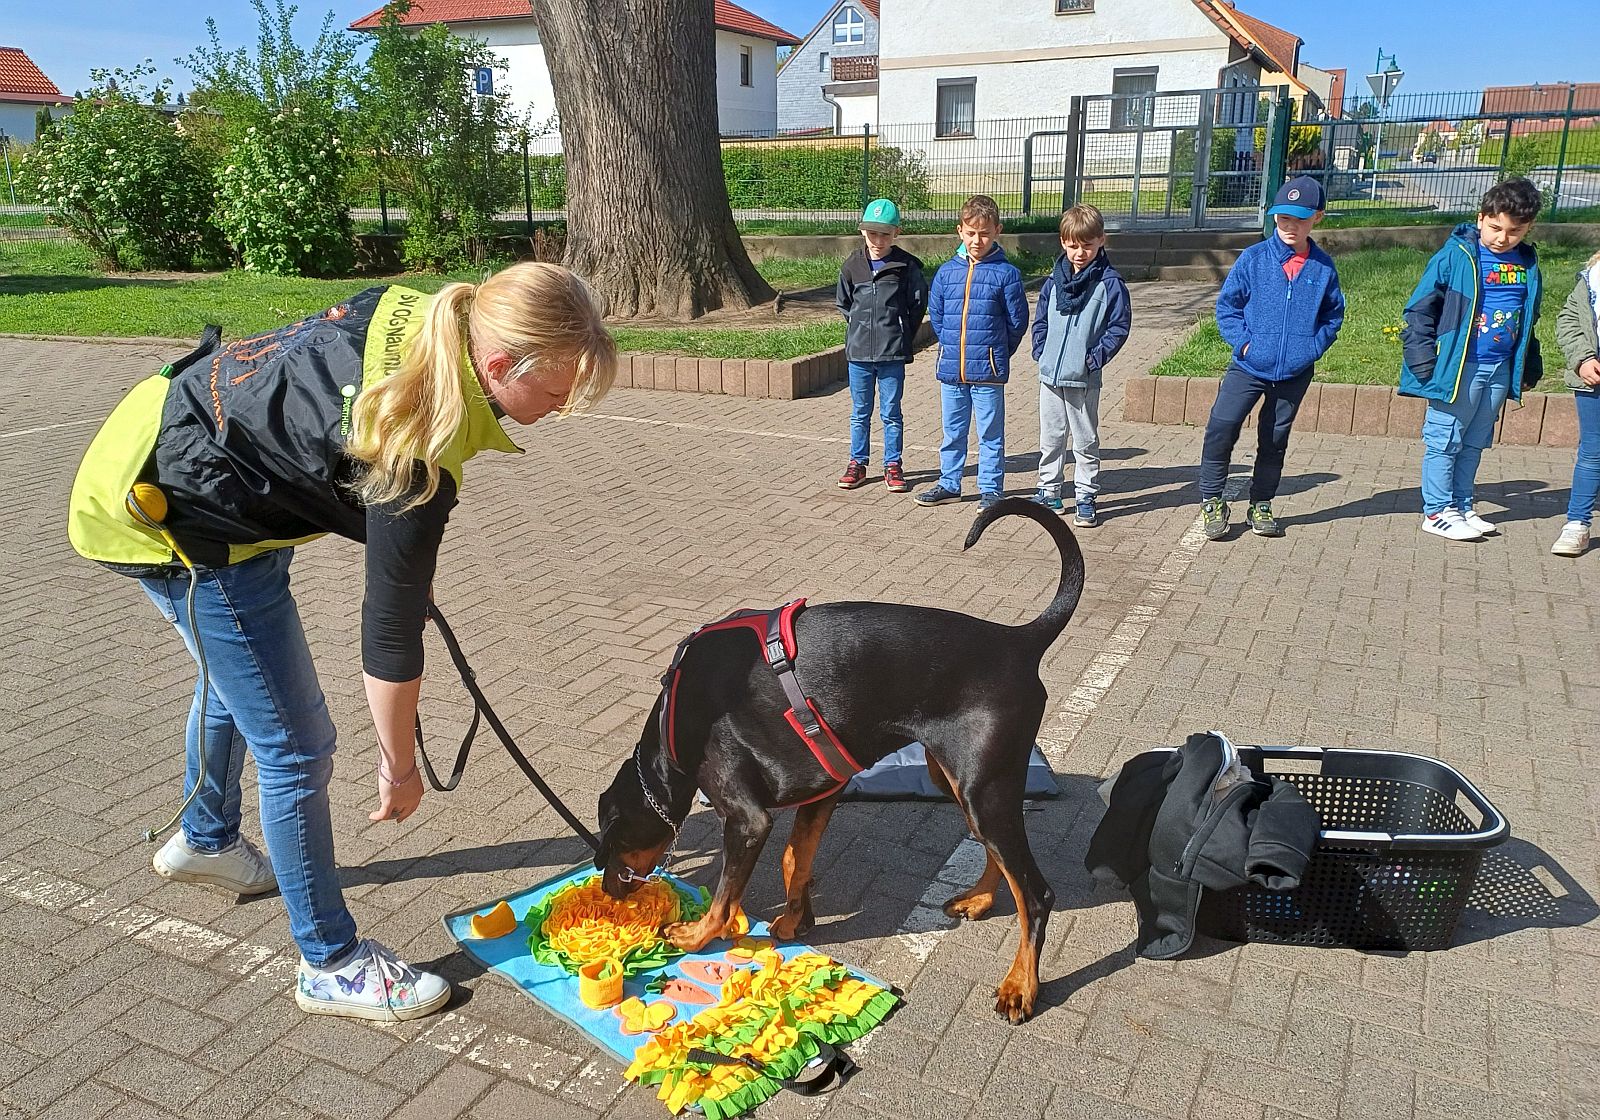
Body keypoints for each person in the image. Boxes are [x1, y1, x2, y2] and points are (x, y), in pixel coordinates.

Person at [67, 262, 616, 1022]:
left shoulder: (429, 317)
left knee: (236, 681)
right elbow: (388, 639)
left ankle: (206, 839)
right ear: (497, 366)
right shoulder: (414, 451)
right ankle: (329, 963)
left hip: (186, 440)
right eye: (555, 394)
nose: (560, 410)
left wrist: (401, 561)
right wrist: (398, 766)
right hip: (169, 508)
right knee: (296, 748)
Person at [1199, 175, 1344, 540]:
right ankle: (1212, 499)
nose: (1290, 226)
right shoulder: (1254, 259)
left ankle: (1261, 503)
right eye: (1283, 218)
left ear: (1318, 217)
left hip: (1294, 372)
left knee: (1275, 437)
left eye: (1299, 219)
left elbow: (1333, 316)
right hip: (1248, 366)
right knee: (1221, 427)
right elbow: (1227, 308)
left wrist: (1310, 349)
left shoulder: (1323, 268)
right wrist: (1245, 345)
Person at [1400, 178, 1544, 543]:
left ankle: (1462, 505)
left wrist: (1529, 363)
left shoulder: (1527, 262)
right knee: (1445, 438)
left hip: (1499, 367)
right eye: (1495, 227)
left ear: (1528, 228)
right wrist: (1421, 358)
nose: (1502, 238)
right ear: (1481, 218)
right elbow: (1420, 309)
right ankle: (1437, 511)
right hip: (1459, 366)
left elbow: (1529, 318)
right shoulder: (1457, 256)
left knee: (1474, 440)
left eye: (1515, 231)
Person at [915, 194, 1029, 511]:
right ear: (960, 231)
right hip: (952, 370)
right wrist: (951, 346)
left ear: (997, 232)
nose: (977, 240)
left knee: (990, 434)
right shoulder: (946, 272)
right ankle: (949, 484)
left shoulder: (1006, 274)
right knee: (953, 432)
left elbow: (1017, 322)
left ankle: (991, 490)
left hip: (988, 372)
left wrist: (996, 353)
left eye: (984, 234)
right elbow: (938, 316)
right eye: (971, 233)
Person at [1029, 203, 1131, 527]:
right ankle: (1049, 490)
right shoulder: (1053, 280)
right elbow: (1041, 318)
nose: (1079, 253)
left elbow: (1119, 326)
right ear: (1063, 242)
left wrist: (1093, 359)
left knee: (1085, 440)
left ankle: (1085, 495)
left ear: (1102, 240)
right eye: (1073, 245)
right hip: (1050, 375)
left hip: (1083, 378)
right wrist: (1041, 350)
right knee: (1051, 436)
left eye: (1087, 245)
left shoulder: (1109, 283)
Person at [835, 197, 928, 493]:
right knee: (860, 412)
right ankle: (857, 463)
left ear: (896, 232)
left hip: (892, 354)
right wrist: (860, 327)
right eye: (872, 233)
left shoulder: (907, 266)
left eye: (885, 234)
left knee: (891, 412)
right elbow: (844, 303)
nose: (878, 240)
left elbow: (917, 306)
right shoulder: (852, 265)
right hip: (859, 354)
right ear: (863, 231)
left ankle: (893, 465)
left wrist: (900, 333)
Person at [1551, 248, 1600, 556]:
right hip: (1594, 373)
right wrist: (1583, 359)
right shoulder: (1593, 275)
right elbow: (1569, 320)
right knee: (1593, 451)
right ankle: (1577, 524)